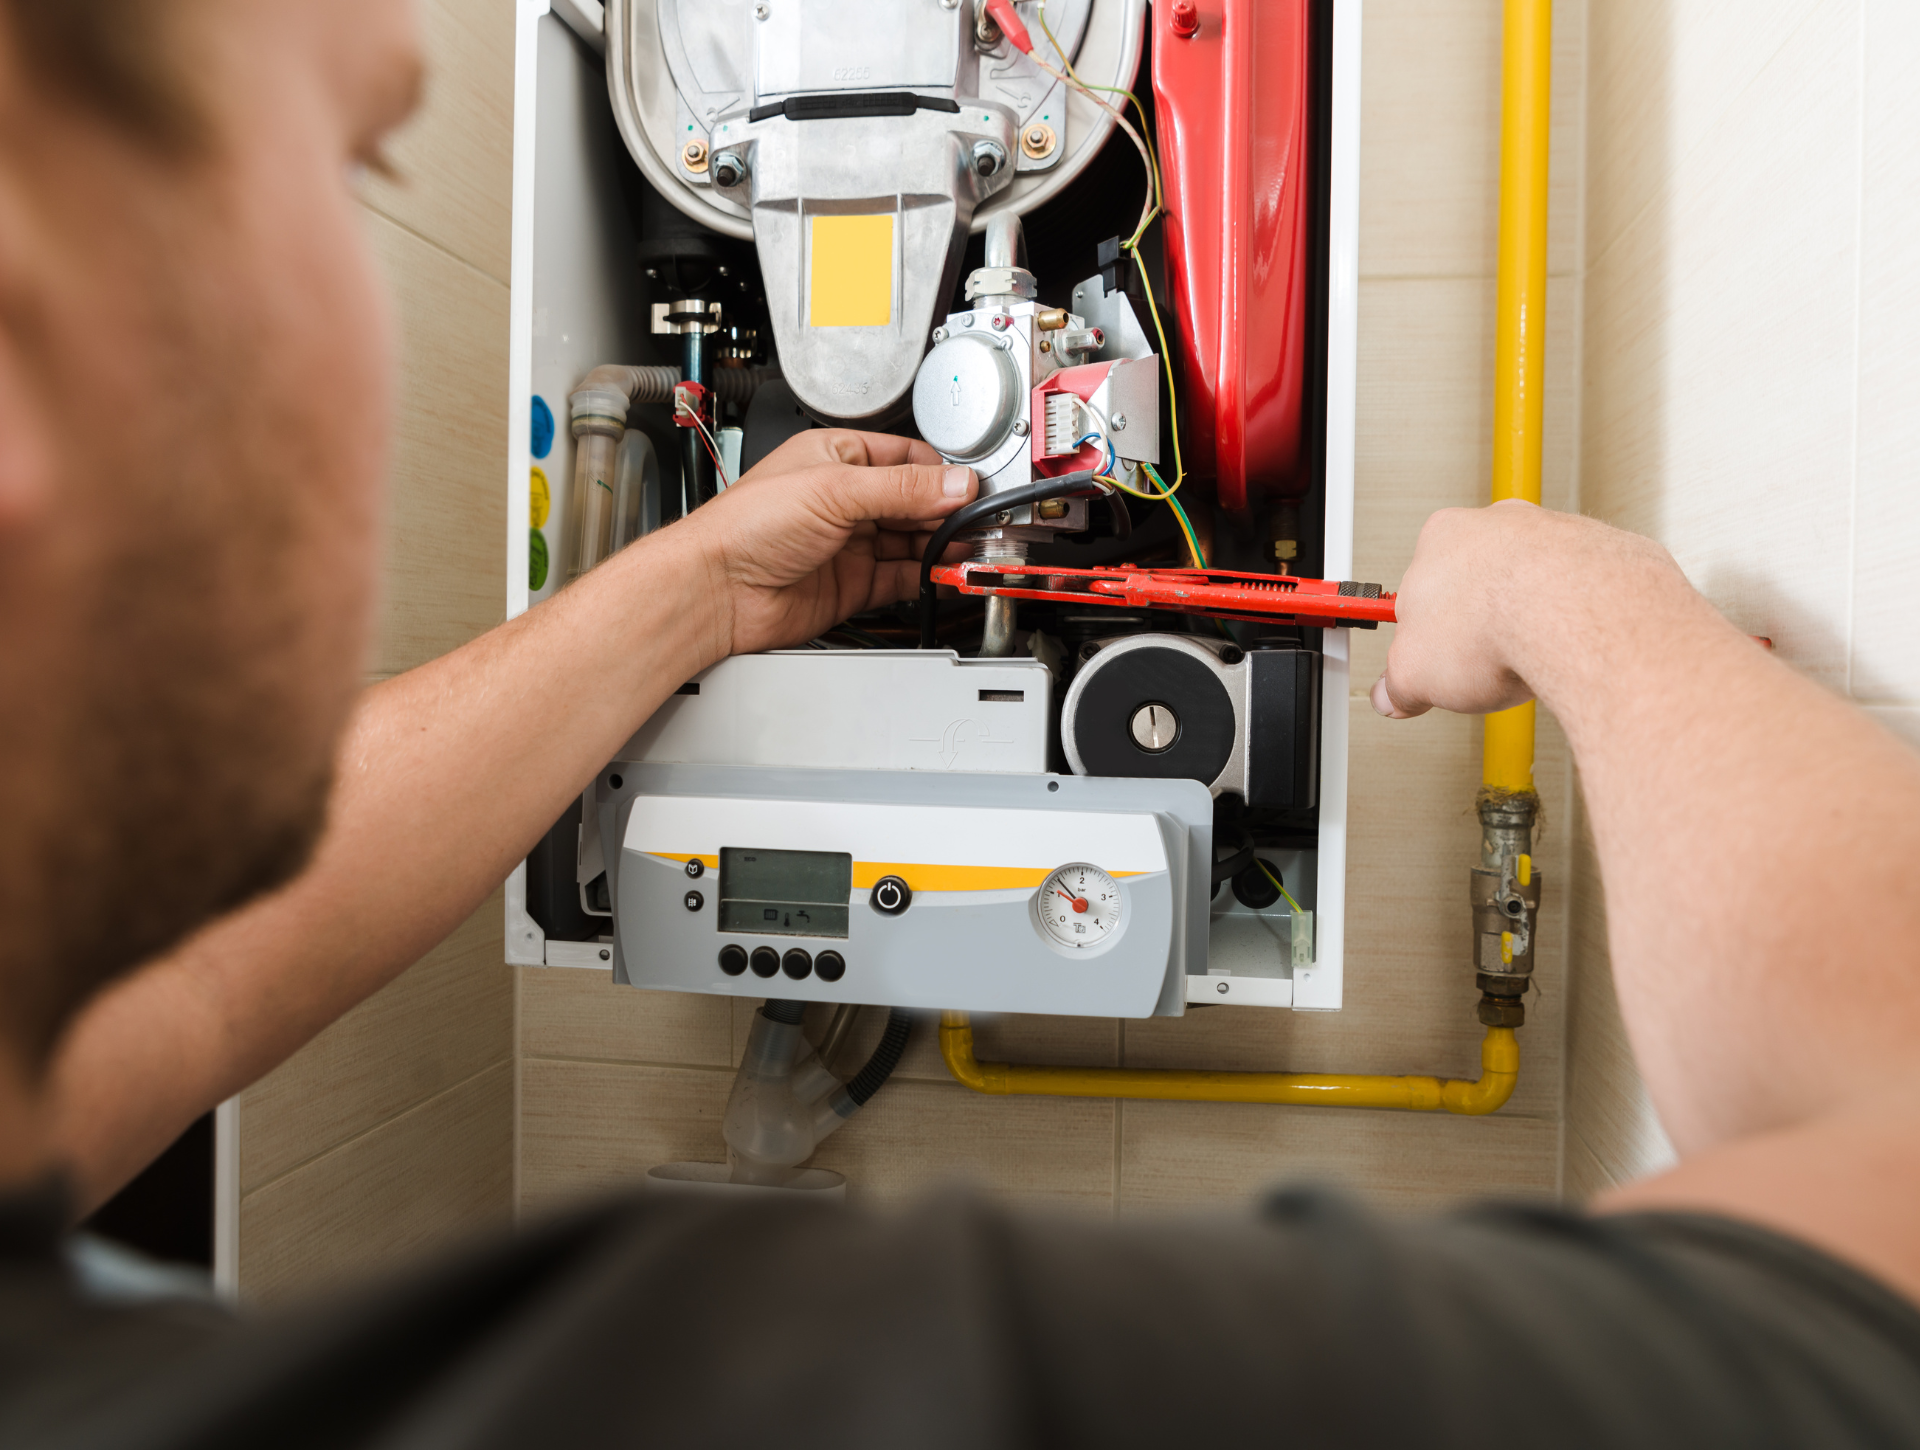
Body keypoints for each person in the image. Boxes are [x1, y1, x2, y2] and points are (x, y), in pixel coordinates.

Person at [2, 1, 1917, 1446]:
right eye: (349, 172)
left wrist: (704, 586)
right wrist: (1594, 604)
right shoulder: (796, 1367)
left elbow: (172, 994)